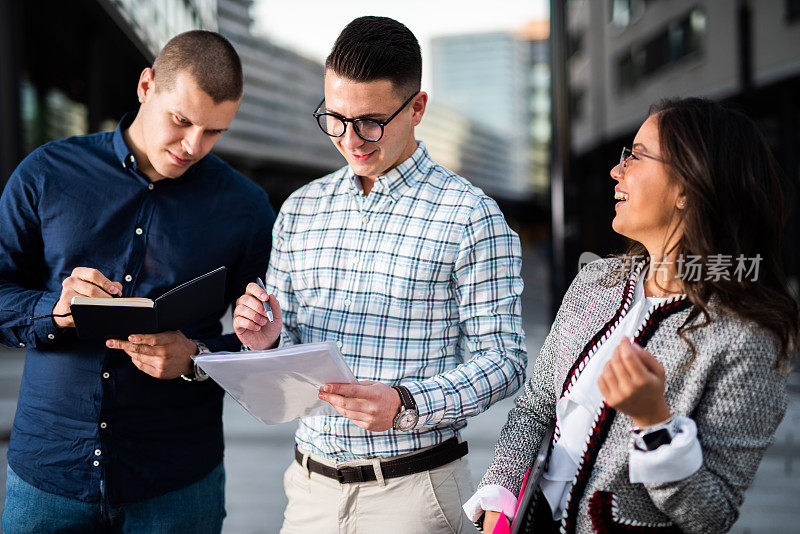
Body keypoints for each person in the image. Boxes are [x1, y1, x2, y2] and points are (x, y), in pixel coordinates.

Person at [231, 16, 526, 533]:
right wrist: (267, 341)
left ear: (417, 108)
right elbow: (291, 353)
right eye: (336, 119)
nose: (351, 140)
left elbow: (505, 360)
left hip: (415, 496)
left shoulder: (470, 216)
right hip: (310, 493)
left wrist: (406, 405)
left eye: (370, 121)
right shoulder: (301, 209)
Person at [463, 97, 799, 533]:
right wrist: (500, 503)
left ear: (687, 188)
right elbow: (534, 408)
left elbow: (711, 517)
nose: (616, 171)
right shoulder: (596, 281)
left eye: (636, 157)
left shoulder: (746, 334)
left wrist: (654, 423)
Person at [0, 30, 276, 533]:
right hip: (48, 475)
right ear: (146, 85)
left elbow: (264, 343)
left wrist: (197, 357)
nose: (194, 145)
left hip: (176, 485)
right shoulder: (45, 173)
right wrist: (53, 310)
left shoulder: (247, 209)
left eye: (214, 131)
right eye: (182, 120)